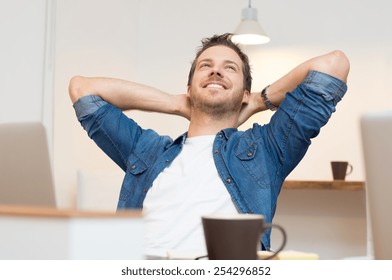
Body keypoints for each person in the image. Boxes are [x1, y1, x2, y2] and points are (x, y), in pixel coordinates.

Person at [69, 33, 350, 259]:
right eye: (206, 66)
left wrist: (257, 102)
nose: (216, 70)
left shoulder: (266, 149)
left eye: (230, 68)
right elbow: (83, 90)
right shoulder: (147, 149)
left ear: (244, 92)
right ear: (189, 88)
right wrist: (176, 103)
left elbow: (333, 65)